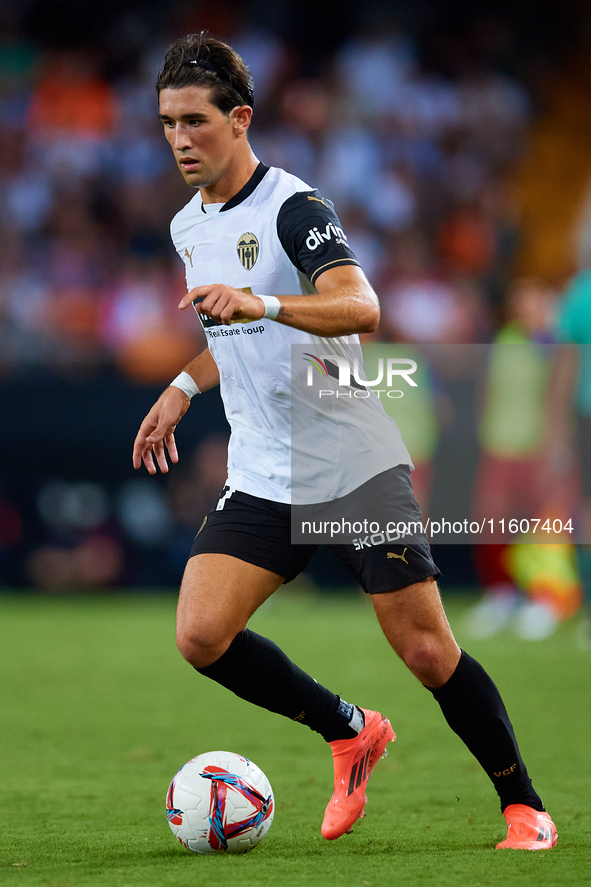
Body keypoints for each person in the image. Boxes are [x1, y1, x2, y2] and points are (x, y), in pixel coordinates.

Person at [133, 33, 557, 850]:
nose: (178, 140)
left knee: (428, 651)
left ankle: (524, 805)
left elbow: (359, 307)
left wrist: (261, 303)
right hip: (264, 470)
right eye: (166, 123)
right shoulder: (190, 225)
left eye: (194, 121)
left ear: (241, 118)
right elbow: (228, 333)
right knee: (199, 634)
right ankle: (349, 729)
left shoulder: (294, 207)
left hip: (352, 463)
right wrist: (184, 386)